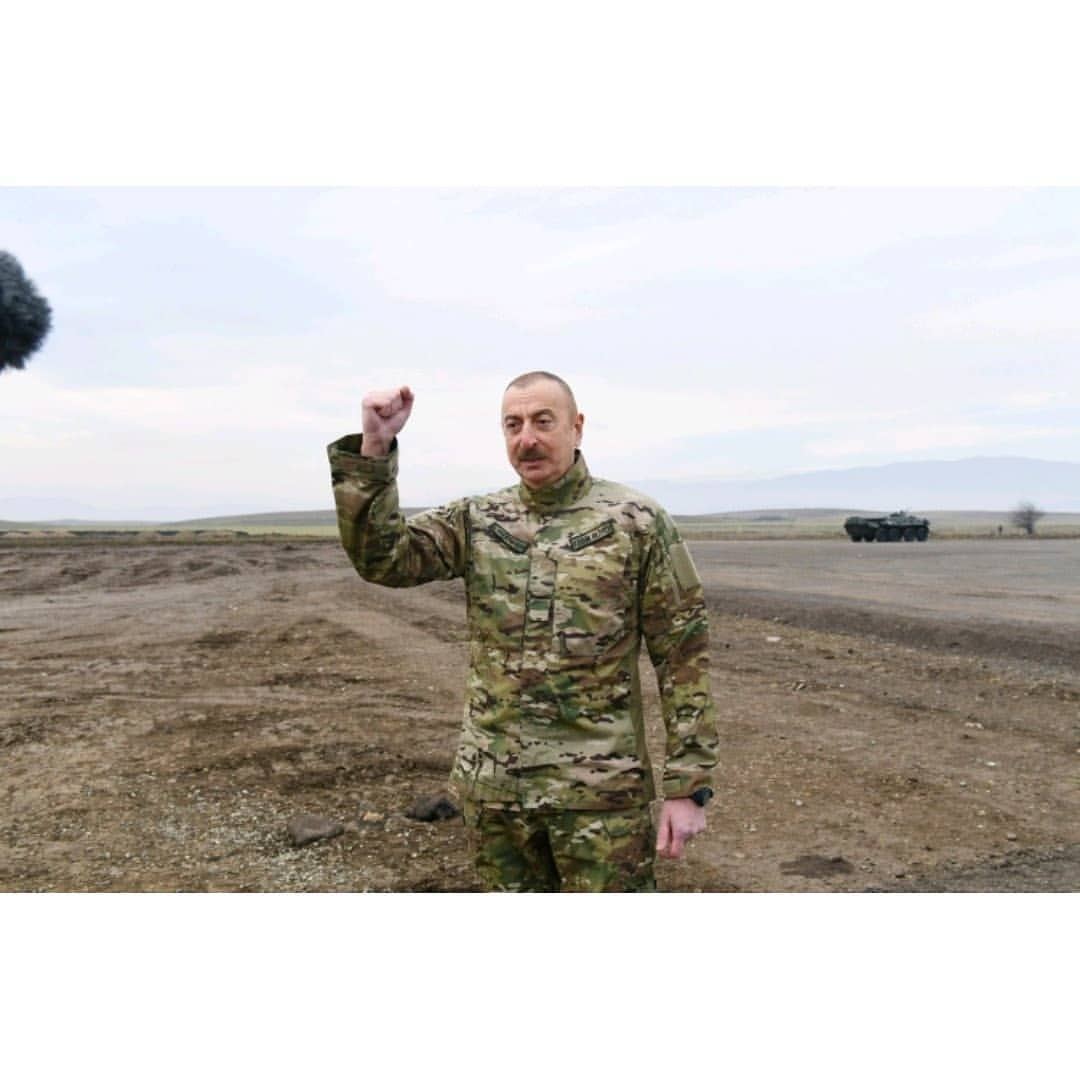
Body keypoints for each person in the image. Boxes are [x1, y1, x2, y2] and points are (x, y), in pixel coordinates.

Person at [327, 372, 719, 891]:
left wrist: (687, 786)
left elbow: (682, 654)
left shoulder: (636, 522)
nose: (526, 438)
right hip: (496, 793)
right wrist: (375, 448)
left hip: (598, 798)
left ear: (577, 428)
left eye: (542, 421)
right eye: (512, 425)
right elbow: (383, 558)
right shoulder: (478, 520)